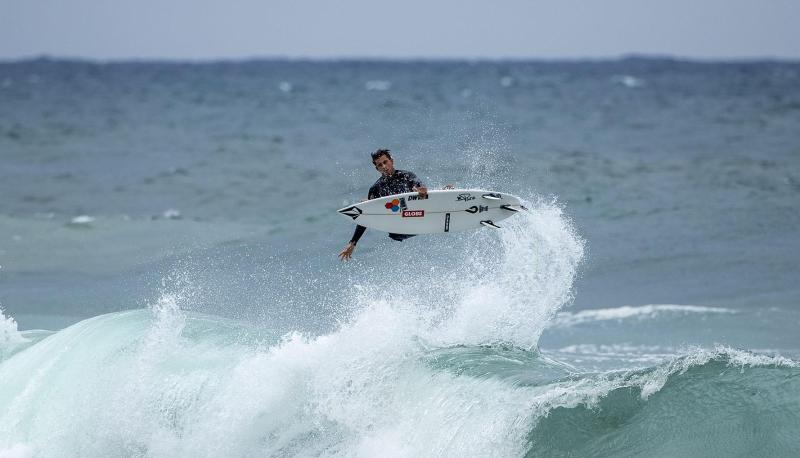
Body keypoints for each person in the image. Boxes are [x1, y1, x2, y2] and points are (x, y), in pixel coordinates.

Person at [338, 149, 428, 261]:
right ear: (377, 169)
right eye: (380, 165)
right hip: (397, 233)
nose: (384, 166)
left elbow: (420, 185)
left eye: (385, 162)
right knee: (366, 202)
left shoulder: (407, 176)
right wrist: (353, 243)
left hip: (414, 222)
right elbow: (366, 215)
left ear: (392, 161)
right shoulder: (376, 188)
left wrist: (421, 190)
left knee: (423, 193)